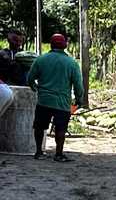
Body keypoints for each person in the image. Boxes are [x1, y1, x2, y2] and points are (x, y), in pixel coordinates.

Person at [26, 34, 85, 162]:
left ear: (51, 45)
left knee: (40, 127)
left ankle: (38, 152)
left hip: (44, 101)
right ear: (65, 46)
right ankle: (58, 154)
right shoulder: (72, 63)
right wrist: (79, 100)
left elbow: (30, 78)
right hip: (62, 102)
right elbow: (78, 85)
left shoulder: (41, 60)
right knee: (61, 128)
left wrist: (36, 88)